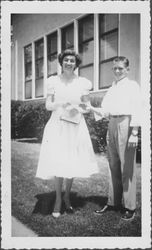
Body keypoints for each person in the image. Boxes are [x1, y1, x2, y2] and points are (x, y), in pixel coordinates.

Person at [36, 49, 98, 218]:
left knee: (72, 160)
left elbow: (86, 106)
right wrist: (62, 103)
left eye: (72, 60)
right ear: (61, 62)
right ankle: (57, 199)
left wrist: (79, 107)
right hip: (57, 125)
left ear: (76, 63)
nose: (69, 63)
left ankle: (67, 196)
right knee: (58, 159)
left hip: (75, 126)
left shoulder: (83, 82)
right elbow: (48, 105)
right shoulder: (53, 81)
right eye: (66, 60)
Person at [90, 56, 141, 221]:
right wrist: (90, 108)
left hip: (126, 123)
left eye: (120, 68)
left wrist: (134, 133)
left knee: (127, 168)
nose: (117, 71)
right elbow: (105, 110)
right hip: (112, 123)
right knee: (113, 164)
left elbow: (138, 109)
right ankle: (113, 202)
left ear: (127, 69)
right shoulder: (112, 87)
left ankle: (129, 206)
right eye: (115, 68)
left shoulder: (133, 86)